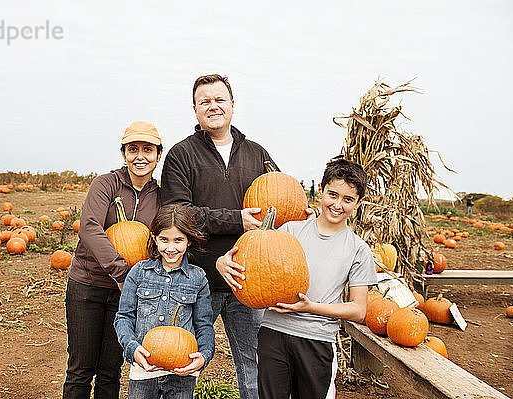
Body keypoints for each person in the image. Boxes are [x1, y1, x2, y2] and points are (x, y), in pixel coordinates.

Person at [160, 74, 282, 399]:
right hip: (197, 279)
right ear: (195, 110)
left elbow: (279, 205)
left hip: (249, 282)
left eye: (219, 99)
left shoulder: (258, 155)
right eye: (205, 101)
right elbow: (179, 214)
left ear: (232, 105)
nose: (213, 106)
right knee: (181, 364)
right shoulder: (181, 155)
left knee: (255, 369)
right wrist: (236, 221)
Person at [220, 158, 377, 399]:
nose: (337, 204)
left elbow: (358, 309)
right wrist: (221, 262)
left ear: (359, 202)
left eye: (348, 199)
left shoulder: (358, 249)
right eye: (332, 195)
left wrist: (310, 307)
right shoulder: (290, 231)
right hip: (272, 333)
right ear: (321, 190)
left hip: (317, 340)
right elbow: (257, 261)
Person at [63, 121, 162, 399]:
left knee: (110, 369)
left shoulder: (161, 196)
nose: (140, 156)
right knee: (80, 369)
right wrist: (121, 274)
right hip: (88, 287)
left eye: (147, 149)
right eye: (133, 149)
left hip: (127, 295)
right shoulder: (105, 184)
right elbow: (90, 227)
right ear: (123, 153)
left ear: (158, 155)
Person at [115, 204, 215, 399]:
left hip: (183, 372)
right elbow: (124, 317)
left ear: (189, 241)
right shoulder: (139, 272)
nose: (170, 248)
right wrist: (132, 349)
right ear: (155, 238)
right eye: (164, 240)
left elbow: (204, 325)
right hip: (144, 370)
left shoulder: (198, 278)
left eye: (178, 240)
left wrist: (204, 355)